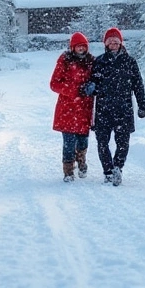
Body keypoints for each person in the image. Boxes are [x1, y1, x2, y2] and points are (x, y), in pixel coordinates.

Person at [81, 27, 145, 186]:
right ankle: (108, 171)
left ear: (120, 43)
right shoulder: (99, 61)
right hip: (103, 109)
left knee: (123, 143)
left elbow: (138, 85)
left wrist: (142, 105)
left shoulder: (130, 62)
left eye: (116, 41)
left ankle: (118, 167)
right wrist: (90, 88)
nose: (113, 44)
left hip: (123, 109)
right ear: (106, 44)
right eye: (110, 41)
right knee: (102, 142)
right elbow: (94, 83)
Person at [49, 32, 95, 182]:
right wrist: (74, 90)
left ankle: (81, 161)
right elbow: (54, 84)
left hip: (84, 109)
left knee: (83, 141)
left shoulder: (91, 62)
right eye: (78, 46)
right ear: (72, 48)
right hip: (67, 109)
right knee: (68, 142)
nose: (81, 49)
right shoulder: (65, 61)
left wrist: (91, 86)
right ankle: (68, 171)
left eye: (84, 46)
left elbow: (97, 79)